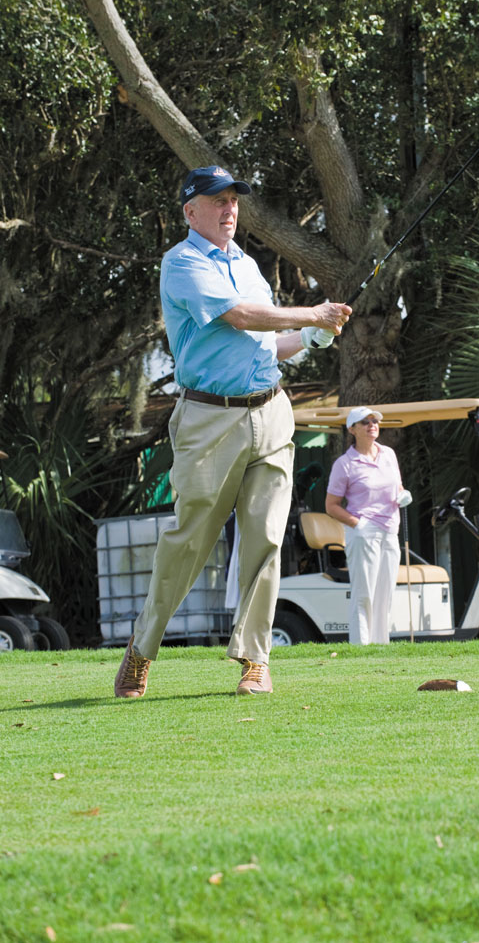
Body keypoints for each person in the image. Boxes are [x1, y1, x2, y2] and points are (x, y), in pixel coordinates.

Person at [115, 165, 351, 698]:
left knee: (267, 538)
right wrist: (311, 312)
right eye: (216, 201)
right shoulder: (181, 264)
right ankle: (143, 648)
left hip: (270, 412)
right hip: (208, 420)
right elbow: (242, 317)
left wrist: (313, 337)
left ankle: (255, 658)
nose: (229, 210)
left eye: (234, 201)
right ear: (189, 211)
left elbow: (269, 344)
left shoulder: (246, 264)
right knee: (189, 540)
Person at [325, 407, 410, 645]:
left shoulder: (389, 455)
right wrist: (358, 524)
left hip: (390, 530)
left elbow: (398, 486)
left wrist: (403, 495)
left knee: (385, 594)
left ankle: (381, 646)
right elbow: (331, 505)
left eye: (374, 421)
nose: (372, 425)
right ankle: (361, 646)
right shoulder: (345, 464)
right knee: (364, 595)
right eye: (365, 422)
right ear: (352, 430)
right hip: (362, 532)